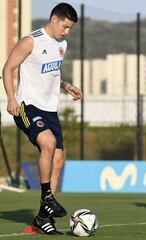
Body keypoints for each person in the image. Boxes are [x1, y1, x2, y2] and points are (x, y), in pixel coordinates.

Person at [2, 3, 81, 234]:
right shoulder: (31, 41)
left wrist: (67, 85)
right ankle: (48, 197)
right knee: (48, 143)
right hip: (27, 106)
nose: (67, 32)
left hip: (50, 109)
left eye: (70, 29)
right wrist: (10, 99)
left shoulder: (61, 44)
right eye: (65, 26)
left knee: (58, 161)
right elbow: (8, 68)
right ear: (54, 19)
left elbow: (52, 73)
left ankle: (43, 218)